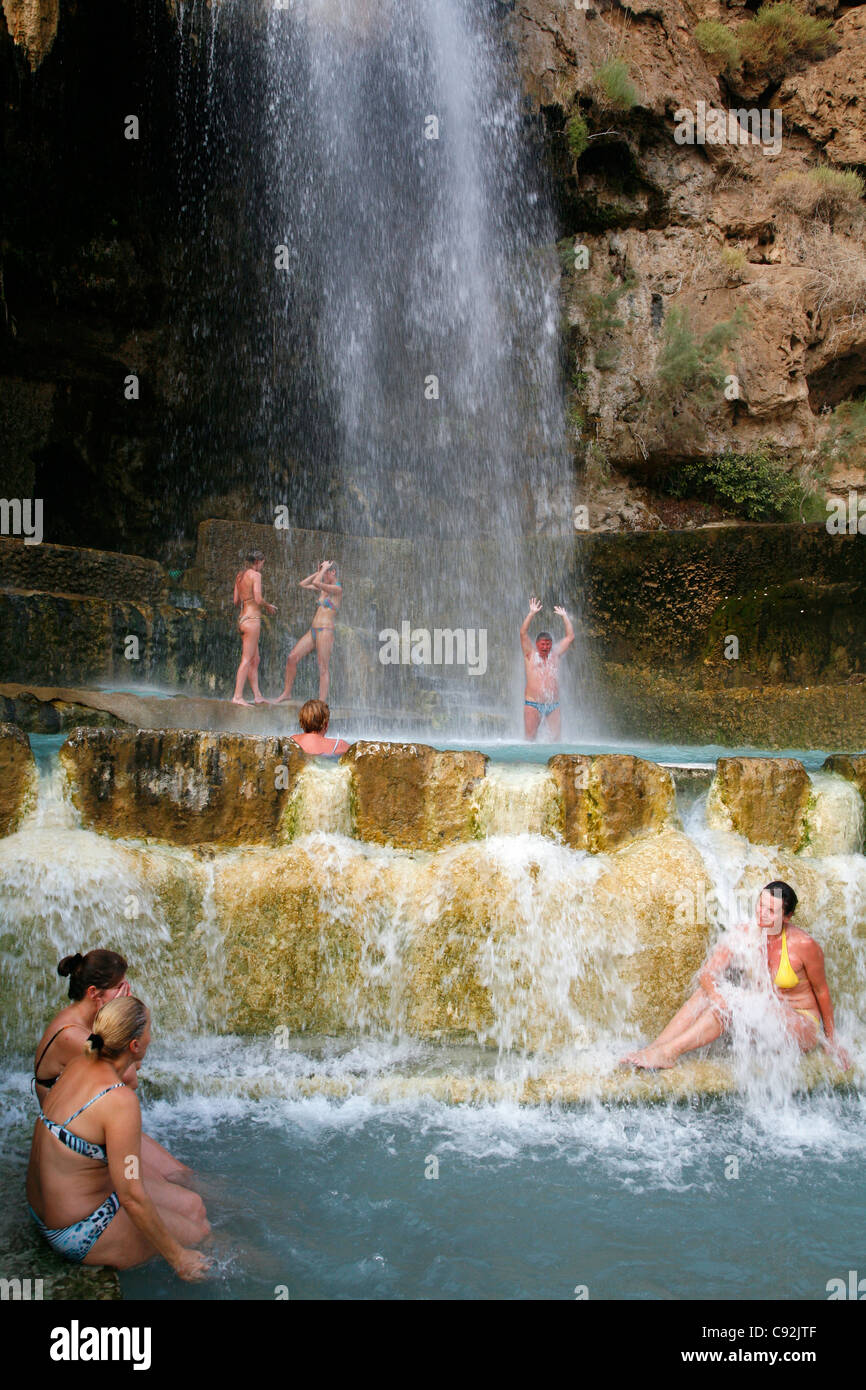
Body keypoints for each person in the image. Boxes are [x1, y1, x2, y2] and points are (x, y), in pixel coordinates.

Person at [27, 996, 210, 1278]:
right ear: (135, 1045)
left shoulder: (81, 1061)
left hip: (49, 1205)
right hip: (79, 1230)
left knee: (194, 1206)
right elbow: (132, 1195)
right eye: (149, 1029)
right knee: (200, 1231)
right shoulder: (119, 1101)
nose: (152, 1036)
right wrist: (178, 1258)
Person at [621, 881, 852, 1071]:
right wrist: (715, 995)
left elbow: (822, 991)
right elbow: (708, 973)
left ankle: (670, 1053)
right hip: (763, 1016)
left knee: (737, 1003)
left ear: (788, 917)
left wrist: (832, 1041)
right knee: (707, 992)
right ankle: (655, 1048)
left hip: (799, 1026)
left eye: (771, 911)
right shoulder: (745, 933)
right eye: (760, 905)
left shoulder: (803, 945)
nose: (762, 914)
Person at [34, 950, 191, 1185]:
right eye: (119, 987)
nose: (125, 992)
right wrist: (125, 1010)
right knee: (171, 1187)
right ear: (93, 993)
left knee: (180, 1175)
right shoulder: (72, 1036)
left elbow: (131, 1060)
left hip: (94, 1126)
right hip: (77, 1143)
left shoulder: (95, 1024)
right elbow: (130, 1076)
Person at [272, 560, 342, 705]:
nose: (323, 575)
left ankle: (321, 703)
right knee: (292, 657)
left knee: (323, 667)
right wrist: (319, 571)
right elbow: (302, 584)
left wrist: (322, 571)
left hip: (325, 630)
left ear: (333, 572)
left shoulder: (337, 589)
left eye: (326, 571)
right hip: (313, 630)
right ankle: (287, 693)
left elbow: (316, 583)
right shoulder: (324, 589)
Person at [520, 596, 574, 740]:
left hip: (553, 705)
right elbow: (523, 633)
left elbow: (570, 637)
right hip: (533, 704)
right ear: (537, 644)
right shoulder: (530, 654)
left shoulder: (555, 654)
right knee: (530, 739)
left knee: (556, 739)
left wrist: (565, 617)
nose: (545, 647)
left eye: (548, 644)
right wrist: (531, 613)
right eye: (543, 644)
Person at [232, 550, 277, 706]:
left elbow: (236, 601)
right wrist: (268, 605)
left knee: (255, 659)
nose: (262, 567)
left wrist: (247, 599)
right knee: (246, 659)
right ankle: (237, 696)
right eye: (263, 563)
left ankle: (257, 695)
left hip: (242, 619)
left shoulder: (239, 576)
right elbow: (258, 599)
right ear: (258, 561)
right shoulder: (256, 576)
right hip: (252, 620)